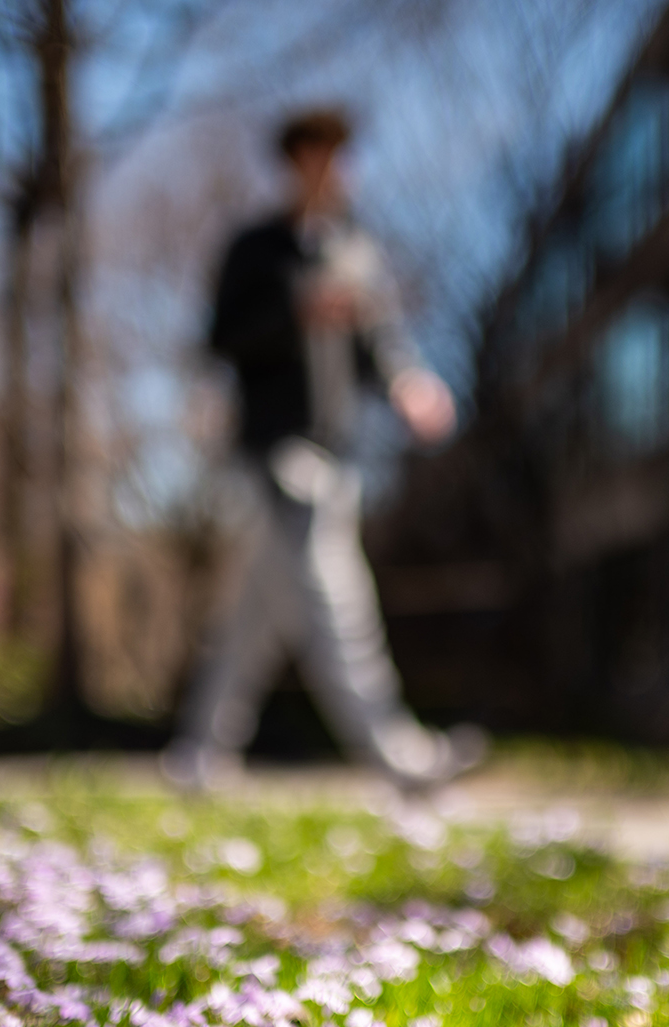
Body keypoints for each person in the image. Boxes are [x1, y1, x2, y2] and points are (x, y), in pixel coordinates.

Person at [163, 108, 484, 792]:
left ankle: (198, 754)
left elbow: (378, 343)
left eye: (345, 156)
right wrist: (294, 313)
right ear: (296, 162)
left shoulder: (356, 250)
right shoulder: (255, 247)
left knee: (257, 614)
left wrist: (409, 383)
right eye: (323, 156)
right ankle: (400, 755)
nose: (337, 170)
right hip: (276, 448)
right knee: (338, 597)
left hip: (340, 451)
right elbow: (221, 339)